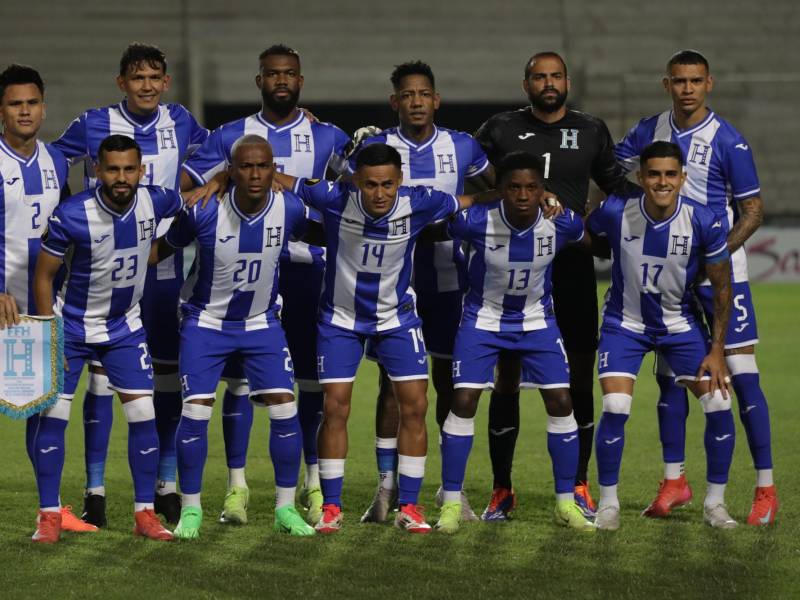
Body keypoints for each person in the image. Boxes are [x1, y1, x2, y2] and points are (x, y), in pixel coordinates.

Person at [272, 143, 495, 533]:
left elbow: (473, 198)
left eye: (388, 185)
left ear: (400, 181)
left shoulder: (421, 202)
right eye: (371, 185)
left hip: (397, 320)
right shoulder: (332, 196)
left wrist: (531, 194)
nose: (379, 194)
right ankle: (332, 507)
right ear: (355, 181)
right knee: (336, 408)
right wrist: (223, 178)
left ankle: (409, 506)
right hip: (340, 321)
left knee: (415, 407)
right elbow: (274, 178)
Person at [181, 44, 349, 526]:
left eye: (289, 74)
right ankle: (236, 488)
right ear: (259, 80)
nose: (281, 81)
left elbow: (349, 196)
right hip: (241, 278)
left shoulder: (328, 136)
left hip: (311, 273)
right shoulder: (231, 135)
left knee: (309, 384)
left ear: (301, 79)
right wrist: (215, 178)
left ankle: (313, 483)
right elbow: (188, 192)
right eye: (272, 74)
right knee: (236, 383)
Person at [615, 49, 777, 525]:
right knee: (670, 378)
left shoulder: (729, 141)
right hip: (671, 275)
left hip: (722, 275)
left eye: (696, 81)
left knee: (742, 377)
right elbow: (613, 174)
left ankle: (766, 488)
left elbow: (753, 211)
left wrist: (716, 256)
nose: (687, 89)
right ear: (667, 84)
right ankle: (674, 481)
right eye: (679, 81)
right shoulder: (649, 130)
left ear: (710, 84)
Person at [52, 42, 209, 526]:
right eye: (136, 78)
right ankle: (95, 491)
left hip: (161, 268)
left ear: (165, 82)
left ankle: (162, 486)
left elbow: (219, 149)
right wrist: (74, 215)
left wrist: (200, 186)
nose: (146, 86)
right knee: (100, 382)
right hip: (102, 264)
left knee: (162, 379)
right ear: (122, 82)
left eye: (154, 78)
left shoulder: (181, 121)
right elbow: (53, 162)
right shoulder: (92, 122)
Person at [473, 51, 631, 519]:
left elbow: (616, 186)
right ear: (526, 84)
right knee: (507, 375)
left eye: (556, 76)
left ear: (567, 81)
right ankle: (502, 488)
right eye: (539, 77)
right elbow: (466, 168)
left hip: (570, 266)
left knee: (580, 374)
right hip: (511, 267)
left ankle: (578, 483)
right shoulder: (499, 128)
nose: (548, 83)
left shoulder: (591, 129)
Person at [346, 60, 492, 523]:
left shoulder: (463, 145)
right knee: (393, 387)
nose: (415, 102)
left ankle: (453, 492)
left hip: (451, 280)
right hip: (392, 284)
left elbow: (499, 188)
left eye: (422, 94)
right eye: (406, 95)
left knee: (451, 385)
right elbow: (344, 190)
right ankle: (386, 489)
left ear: (436, 99)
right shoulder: (377, 147)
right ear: (396, 102)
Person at [152, 135, 315, 538]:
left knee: (284, 407)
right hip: (206, 323)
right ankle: (191, 510)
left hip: (261, 323)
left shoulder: (290, 208)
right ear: (231, 170)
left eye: (263, 166)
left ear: (274, 168)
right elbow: (161, 250)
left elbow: (335, 225)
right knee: (196, 411)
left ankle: (285, 508)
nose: (255, 174)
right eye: (245, 166)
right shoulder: (205, 210)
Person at [32, 134, 187, 543]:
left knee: (143, 416)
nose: (121, 177)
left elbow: (192, 203)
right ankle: (48, 515)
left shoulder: (157, 200)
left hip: (124, 328)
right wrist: (48, 336)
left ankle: (144, 514)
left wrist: (218, 181)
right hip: (72, 327)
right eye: (113, 169)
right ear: (97, 171)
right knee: (54, 418)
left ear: (141, 171)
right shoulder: (72, 214)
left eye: (129, 169)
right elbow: (44, 276)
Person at [437, 151, 594, 534]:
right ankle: (451, 504)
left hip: (537, 321)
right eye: (514, 187)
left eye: (531, 187)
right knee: (463, 400)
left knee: (561, 399)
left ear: (543, 189)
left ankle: (565, 504)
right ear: (501, 189)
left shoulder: (561, 224)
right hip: (483, 320)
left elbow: (584, 234)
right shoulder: (476, 222)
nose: (523, 195)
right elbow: (442, 227)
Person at [586, 141, 736, 530]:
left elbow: (722, 288)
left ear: (683, 178)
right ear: (641, 177)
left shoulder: (704, 220)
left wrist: (717, 350)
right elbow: (584, 233)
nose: (662, 182)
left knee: (719, 403)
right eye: (654, 174)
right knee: (616, 406)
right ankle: (608, 504)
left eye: (671, 174)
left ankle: (715, 505)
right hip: (625, 324)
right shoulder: (617, 211)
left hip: (680, 324)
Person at [0, 63, 99, 539]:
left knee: (40, 406)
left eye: (32, 102)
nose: (25, 111)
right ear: (1, 109)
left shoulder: (57, 160)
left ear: (43, 106)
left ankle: (49, 513)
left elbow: (70, 229)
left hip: (37, 310)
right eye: (15, 103)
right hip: (1, 304)